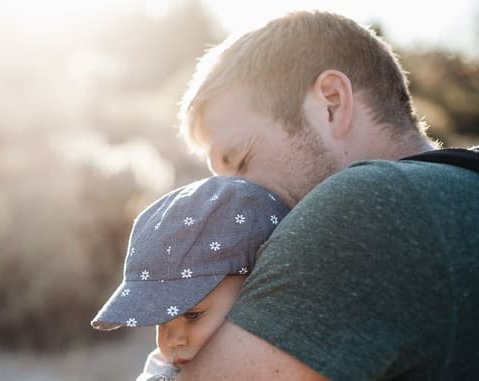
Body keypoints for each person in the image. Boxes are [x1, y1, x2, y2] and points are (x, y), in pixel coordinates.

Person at [172, 10, 479, 380]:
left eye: (240, 159)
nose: (231, 198)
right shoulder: (460, 188)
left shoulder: (364, 207)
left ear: (331, 103)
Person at [90, 176, 289, 380]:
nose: (173, 340)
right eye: (162, 320)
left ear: (256, 287)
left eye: (193, 315)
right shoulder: (163, 372)